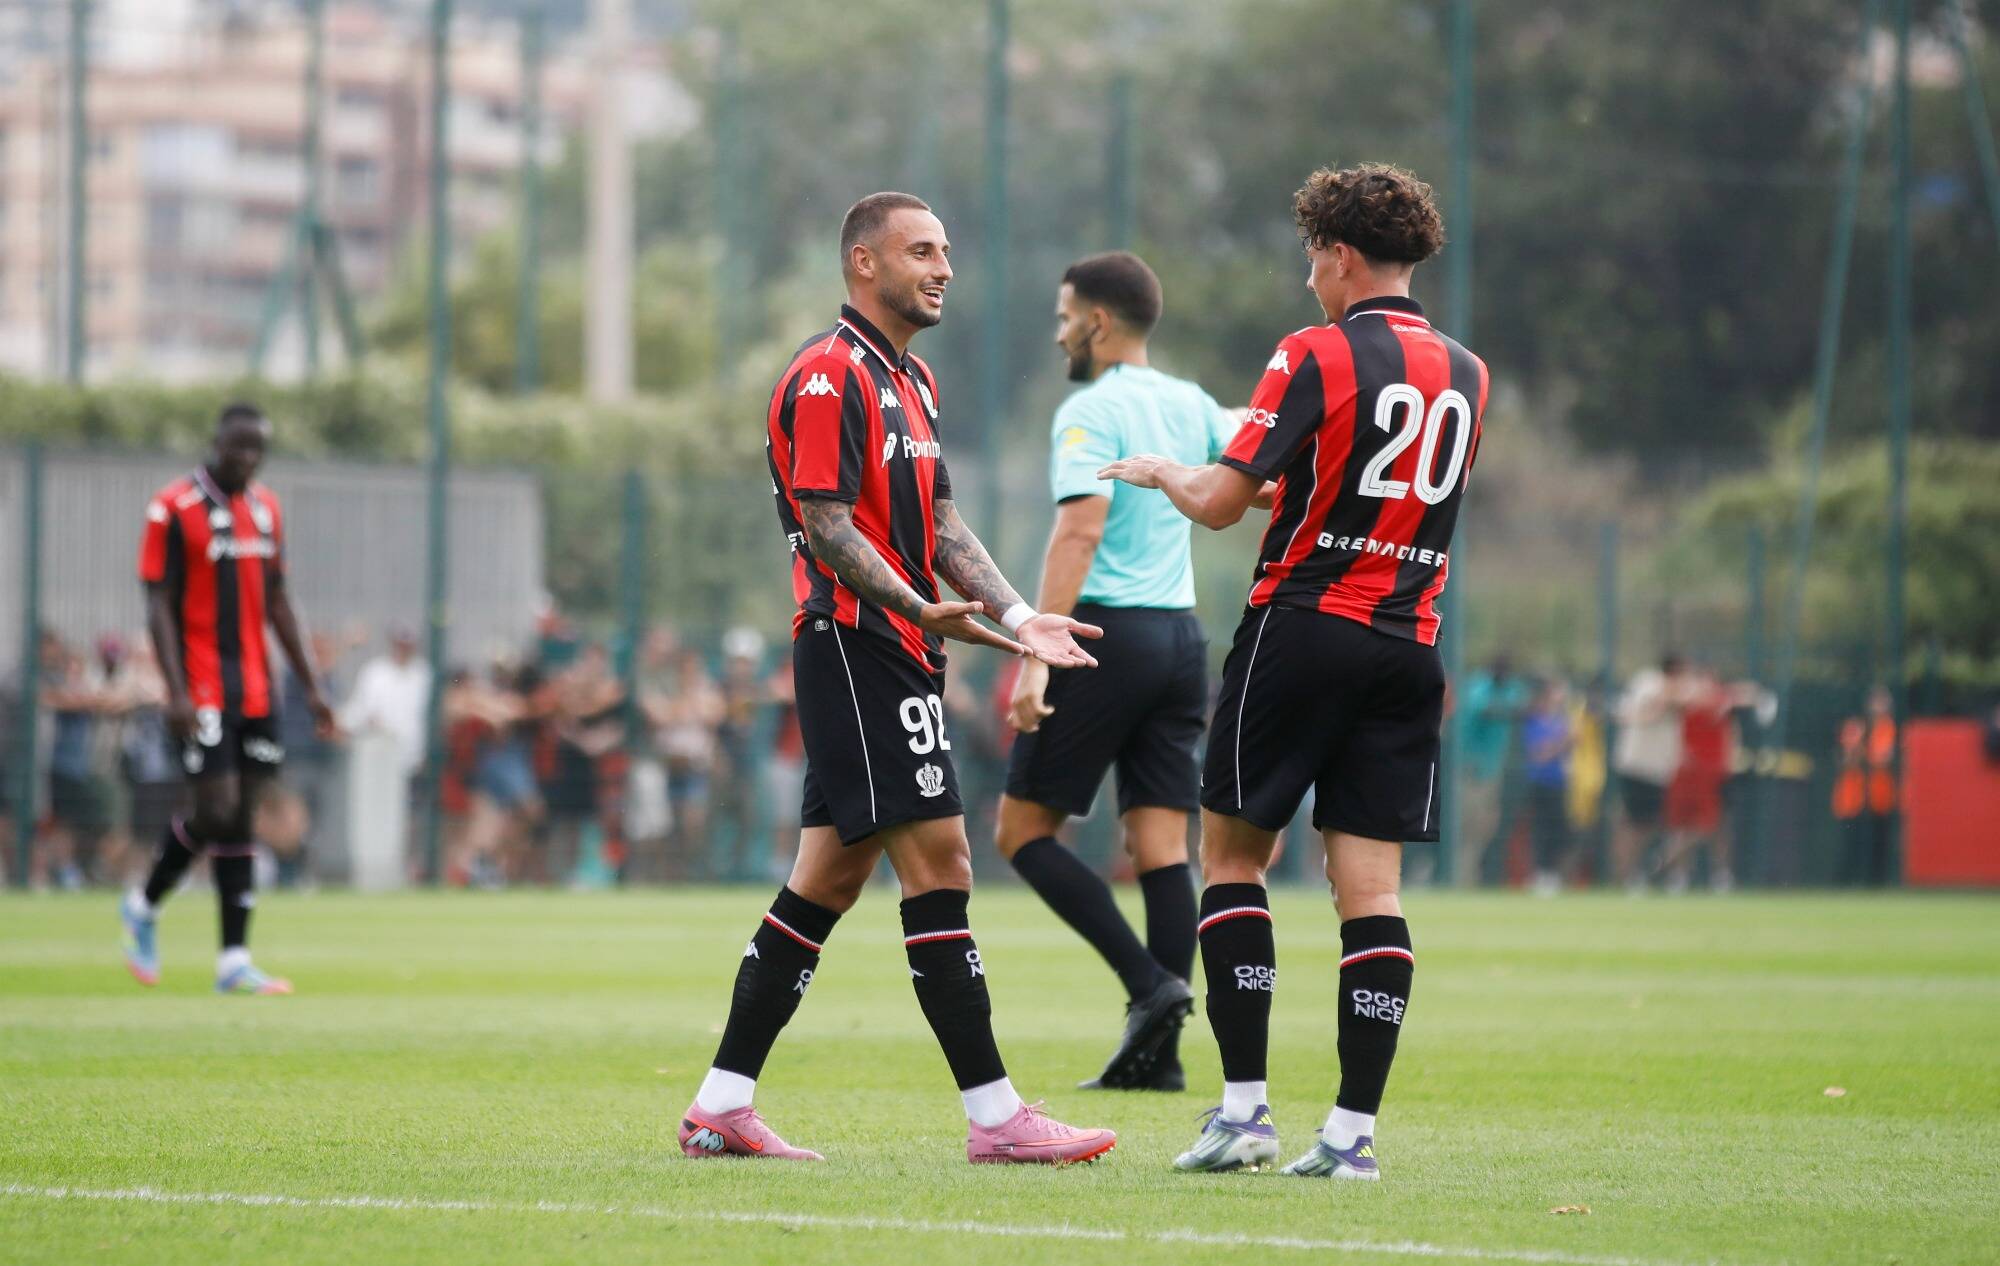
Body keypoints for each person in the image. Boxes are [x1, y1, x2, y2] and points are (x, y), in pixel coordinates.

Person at [678, 191, 1112, 1167]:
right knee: (943, 867)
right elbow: (826, 522)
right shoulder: (830, 375)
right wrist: (912, 609)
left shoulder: (913, 383)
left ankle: (720, 1104)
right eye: (921, 251)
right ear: (863, 265)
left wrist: (1014, 616)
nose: (943, 267)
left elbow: (944, 525)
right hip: (855, 644)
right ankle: (996, 1117)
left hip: (899, 645)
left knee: (825, 881)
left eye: (947, 250)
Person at [1100, 163, 1485, 1180]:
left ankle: (1242, 1115)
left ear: (1340, 255)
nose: (1308, 279)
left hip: (1302, 628)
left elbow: (1223, 502)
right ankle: (1352, 1135)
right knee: (1371, 889)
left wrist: (1168, 472)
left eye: (1312, 259)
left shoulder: (1312, 352)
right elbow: (1369, 501)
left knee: (1230, 860)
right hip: (1408, 644)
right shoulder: (1468, 372)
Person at [996, 250, 1242, 1092]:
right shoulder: (1192, 402)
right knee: (1162, 845)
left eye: (1066, 314)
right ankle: (1159, 1060)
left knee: (1021, 833)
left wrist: (1035, 653)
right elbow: (1263, 481)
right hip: (1180, 639)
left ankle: (1150, 988)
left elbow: (1078, 533)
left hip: (1101, 635)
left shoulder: (1091, 411)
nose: (1060, 329)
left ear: (1098, 322)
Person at [120, 402, 335, 995]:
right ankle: (143, 905)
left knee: (243, 815)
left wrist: (312, 687)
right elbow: (158, 605)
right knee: (215, 810)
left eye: (256, 449)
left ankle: (233, 960)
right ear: (216, 441)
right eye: (237, 446)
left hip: (257, 690)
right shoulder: (173, 508)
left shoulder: (266, 509)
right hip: (203, 686)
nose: (246, 458)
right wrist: (177, 690)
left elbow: (280, 603)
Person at [1610, 654, 1688, 891]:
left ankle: (1666, 873)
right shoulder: (1649, 683)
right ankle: (1626, 877)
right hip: (1639, 768)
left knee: (1662, 824)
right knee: (1634, 825)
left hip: (1661, 771)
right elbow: (1652, 706)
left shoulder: (1676, 689)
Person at [1457, 656, 1529, 885]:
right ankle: (1462, 876)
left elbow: (1524, 705)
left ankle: (1469, 876)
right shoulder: (1479, 686)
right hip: (1472, 768)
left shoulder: (1511, 687)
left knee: (1485, 826)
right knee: (1468, 825)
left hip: (1491, 769)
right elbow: (1484, 709)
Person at [1832, 685, 1898, 886]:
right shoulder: (1855, 727)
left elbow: (1884, 758)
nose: (1879, 707)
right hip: (1855, 799)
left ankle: (1876, 884)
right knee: (1850, 844)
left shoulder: (1887, 727)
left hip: (1879, 796)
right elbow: (1845, 759)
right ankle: (1846, 883)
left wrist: (1864, 757)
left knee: (1879, 843)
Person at [1520, 678, 1575, 894]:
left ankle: (1552, 873)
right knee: (1542, 829)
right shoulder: (1535, 721)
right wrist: (1564, 742)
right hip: (1541, 783)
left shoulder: (1561, 720)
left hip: (1559, 782)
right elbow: (1539, 754)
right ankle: (1541, 874)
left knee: (1560, 831)